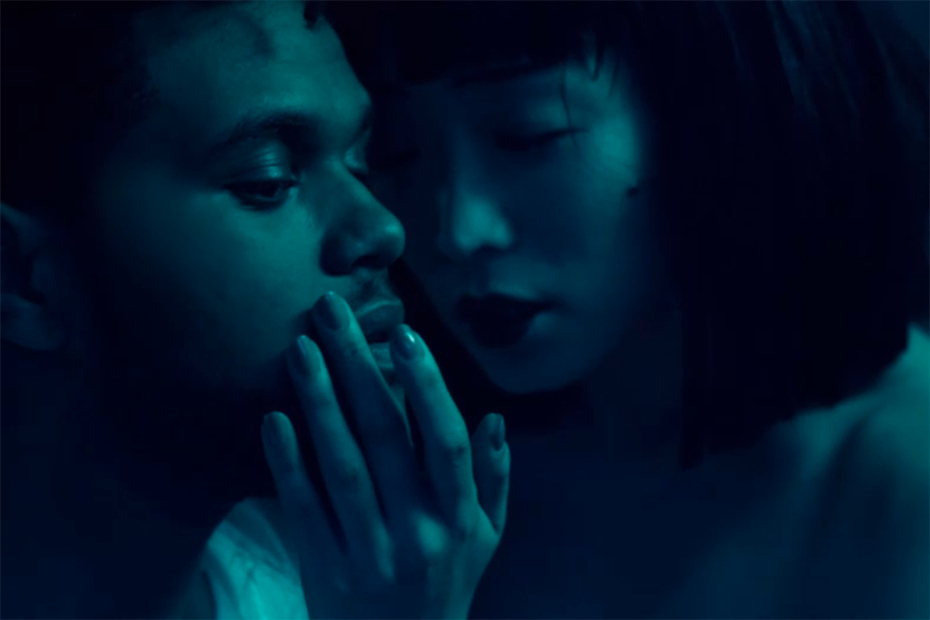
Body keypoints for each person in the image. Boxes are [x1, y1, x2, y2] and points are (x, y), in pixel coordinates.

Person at [332, 1, 930, 617]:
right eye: (393, 150)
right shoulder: (431, 491)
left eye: (528, 135)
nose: (456, 230)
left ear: (712, 120)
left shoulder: (901, 488)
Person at [1, 2, 510, 618]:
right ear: (22, 276)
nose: (383, 229)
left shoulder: (353, 592)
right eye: (267, 181)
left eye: (363, 161)